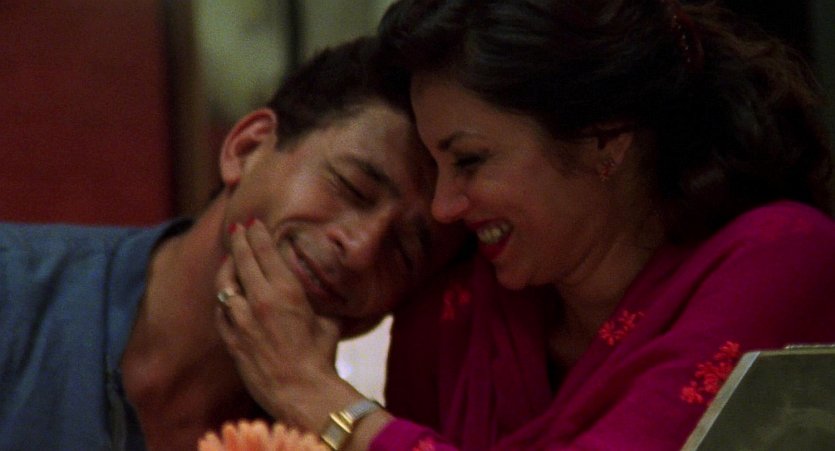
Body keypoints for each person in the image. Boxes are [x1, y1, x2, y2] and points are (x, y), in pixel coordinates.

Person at [215, 0, 835, 449]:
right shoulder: (452, 315)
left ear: (604, 137)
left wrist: (319, 399)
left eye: (470, 160)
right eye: (436, 165)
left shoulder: (777, 259)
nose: (444, 207)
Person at [0, 36, 464, 450]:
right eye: (353, 188)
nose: (361, 250)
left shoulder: (326, 433)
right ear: (246, 148)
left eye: (405, 252)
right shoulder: (15, 293)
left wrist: (310, 396)